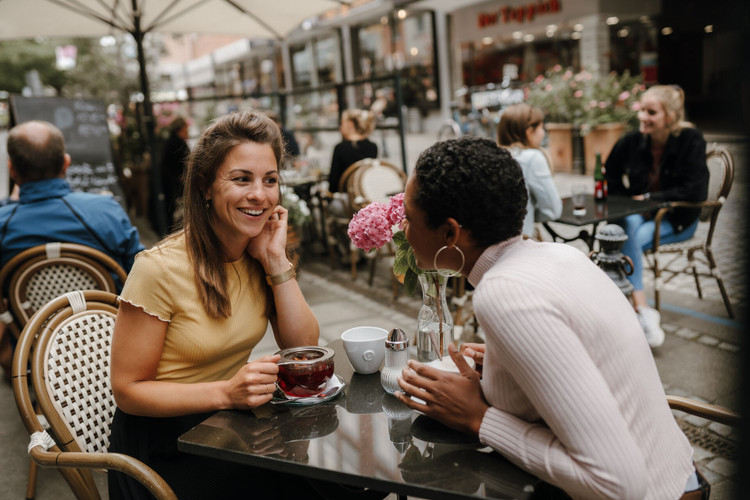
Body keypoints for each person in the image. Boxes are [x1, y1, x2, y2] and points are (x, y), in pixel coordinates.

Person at [394, 136, 702, 499]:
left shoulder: (503, 293)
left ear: (450, 233)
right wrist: (503, 368)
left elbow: (618, 484)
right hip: (682, 474)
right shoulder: (559, 255)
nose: (403, 230)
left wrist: (478, 418)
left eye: (408, 218)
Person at [107, 110, 322, 499]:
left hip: (228, 426)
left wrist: (276, 262)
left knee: (338, 483)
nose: (259, 194)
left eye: (270, 180)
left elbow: (302, 347)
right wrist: (226, 393)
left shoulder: (256, 254)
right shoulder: (159, 268)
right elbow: (128, 391)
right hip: (165, 447)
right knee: (301, 484)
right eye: (241, 179)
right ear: (205, 185)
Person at [0, 120, 144, 381]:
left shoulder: (4, 224)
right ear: (66, 163)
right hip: (114, 342)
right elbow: (144, 272)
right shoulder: (105, 210)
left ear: (12, 170)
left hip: (39, 352)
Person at [606, 85, 708, 348]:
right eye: (641, 110)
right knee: (626, 225)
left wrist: (651, 200)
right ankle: (643, 310)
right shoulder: (633, 141)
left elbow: (696, 190)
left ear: (670, 116)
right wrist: (625, 200)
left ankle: (631, 310)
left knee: (623, 241)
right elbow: (610, 170)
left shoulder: (690, 139)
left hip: (677, 219)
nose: (642, 117)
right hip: (640, 216)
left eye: (651, 112)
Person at [496, 103, 562, 238]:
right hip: (518, 243)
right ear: (529, 132)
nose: (543, 133)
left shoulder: (494, 155)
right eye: (541, 127)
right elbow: (553, 209)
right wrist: (530, 213)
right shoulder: (531, 158)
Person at [327, 108, 377, 195]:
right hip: (367, 195)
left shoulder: (340, 148)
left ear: (350, 124)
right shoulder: (373, 147)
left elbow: (333, 185)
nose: (340, 127)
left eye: (342, 123)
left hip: (347, 200)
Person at [160, 116, 190, 231]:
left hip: (173, 184)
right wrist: (181, 177)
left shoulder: (172, 142)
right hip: (174, 186)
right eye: (186, 129)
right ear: (180, 129)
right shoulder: (177, 144)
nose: (187, 132)